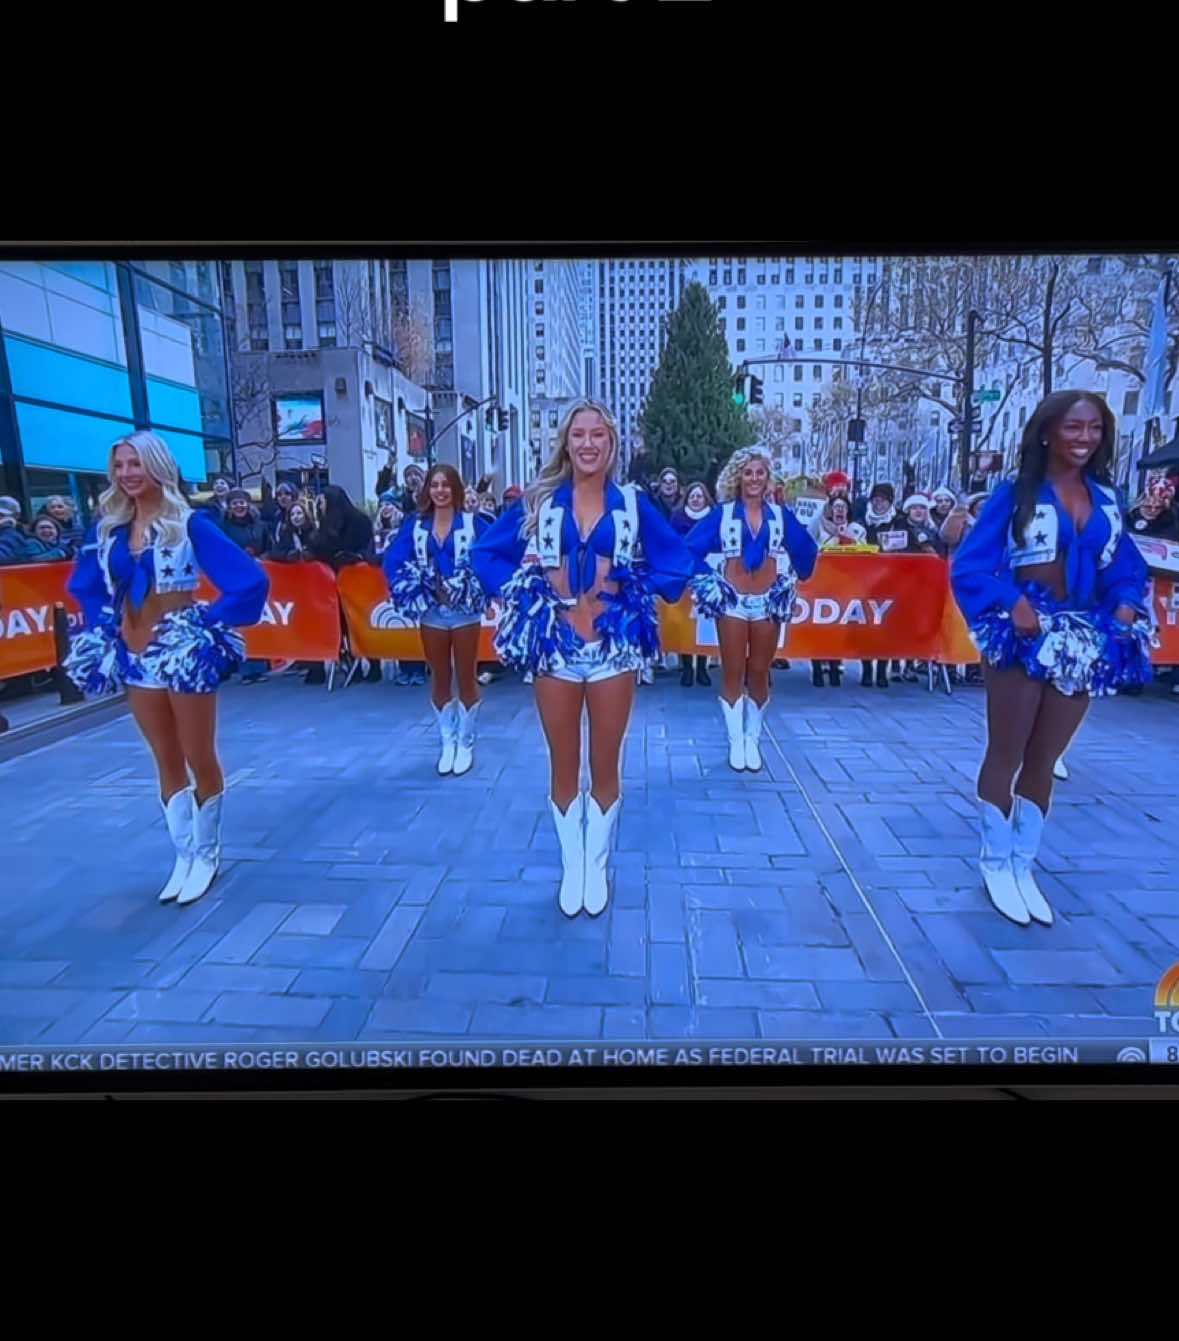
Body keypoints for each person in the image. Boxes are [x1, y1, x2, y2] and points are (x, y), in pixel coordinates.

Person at [470, 399, 694, 918]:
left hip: (613, 650)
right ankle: (573, 864)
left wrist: (642, 589)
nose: (589, 443)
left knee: (606, 763)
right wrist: (521, 592)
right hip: (556, 649)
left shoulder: (635, 503)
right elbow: (485, 553)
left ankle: (598, 863)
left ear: (612, 445)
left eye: (599, 435)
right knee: (563, 763)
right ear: (566, 444)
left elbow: (676, 560)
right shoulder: (539, 500)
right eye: (579, 435)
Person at [951, 390, 1151, 928]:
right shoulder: (1015, 494)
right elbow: (969, 566)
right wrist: (1010, 601)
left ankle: (1023, 864)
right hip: (1022, 637)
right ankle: (994, 862)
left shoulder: (1107, 499)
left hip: (1084, 638)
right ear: (1046, 432)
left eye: (1094, 429)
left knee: (1046, 760)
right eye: (1074, 428)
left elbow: (1126, 567)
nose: (1085, 439)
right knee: (1007, 752)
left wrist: (1128, 603)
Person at [63, 431, 268, 906]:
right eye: (119, 466)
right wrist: (102, 626)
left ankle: (208, 853)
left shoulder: (191, 524)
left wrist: (206, 621)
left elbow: (249, 580)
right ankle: (183, 854)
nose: (127, 474)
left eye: (135, 464)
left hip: (181, 654)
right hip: (134, 657)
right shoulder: (109, 530)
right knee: (164, 757)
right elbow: (87, 586)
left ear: (158, 466)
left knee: (199, 753)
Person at [685, 445, 818, 770]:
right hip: (731, 603)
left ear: (768, 477)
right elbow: (689, 549)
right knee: (733, 669)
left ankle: (753, 738)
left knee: (759, 672)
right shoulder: (724, 514)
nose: (754, 478)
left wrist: (792, 577)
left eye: (760, 472)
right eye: (748, 472)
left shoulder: (780, 516)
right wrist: (709, 580)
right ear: (738, 477)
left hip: (767, 603)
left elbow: (806, 550)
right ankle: (735, 742)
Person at [383, 464, 491, 776]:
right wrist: (420, 584)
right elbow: (393, 560)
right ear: (427, 490)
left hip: (465, 613)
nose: (440, 491)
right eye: (435, 485)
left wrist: (470, 585)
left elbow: (490, 557)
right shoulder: (414, 525)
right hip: (431, 614)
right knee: (439, 677)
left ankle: (467, 742)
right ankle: (448, 742)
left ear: (455, 488)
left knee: (467, 677)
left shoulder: (473, 523)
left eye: (446, 485)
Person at [812, 495, 866, 688]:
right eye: (836, 507)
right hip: (822, 584)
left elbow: (865, 552)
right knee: (819, 628)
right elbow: (811, 549)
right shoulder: (818, 527)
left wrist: (848, 539)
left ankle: (835, 668)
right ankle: (817, 669)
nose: (839, 510)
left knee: (838, 629)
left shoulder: (857, 529)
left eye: (843, 507)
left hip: (846, 586)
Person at [670, 481, 715, 687]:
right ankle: (687, 667)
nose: (696, 499)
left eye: (700, 496)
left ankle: (703, 668)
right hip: (684, 574)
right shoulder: (677, 518)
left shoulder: (713, 517)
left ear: (706, 498)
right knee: (684, 621)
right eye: (693, 496)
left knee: (705, 619)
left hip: (707, 573)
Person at [372, 492, 404, 558]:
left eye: (387, 504)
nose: (384, 508)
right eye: (381, 506)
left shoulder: (403, 524)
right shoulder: (377, 529)